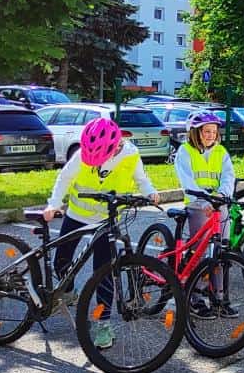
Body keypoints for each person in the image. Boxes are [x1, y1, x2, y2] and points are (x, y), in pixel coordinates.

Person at [43, 117, 160, 350]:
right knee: (62, 262)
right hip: (76, 215)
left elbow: (141, 179)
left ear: (115, 145)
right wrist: (53, 204)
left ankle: (103, 322)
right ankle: (68, 292)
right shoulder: (82, 155)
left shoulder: (130, 155)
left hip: (107, 219)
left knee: (104, 271)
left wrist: (151, 193)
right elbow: (64, 178)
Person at [175, 109, 238, 318]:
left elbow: (229, 176)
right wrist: (204, 199)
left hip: (219, 205)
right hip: (198, 205)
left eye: (213, 131)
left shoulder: (221, 152)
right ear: (195, 133)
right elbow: (187, 180)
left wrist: (221, 194)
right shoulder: (185, 151)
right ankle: (196, 296)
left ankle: (220, 296)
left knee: (221, 251)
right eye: (206, 131)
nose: (211, 135)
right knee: (200, 252)